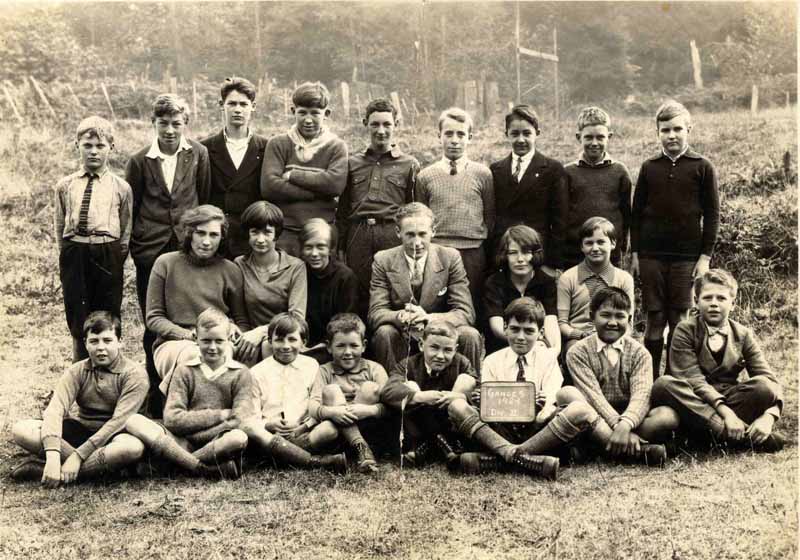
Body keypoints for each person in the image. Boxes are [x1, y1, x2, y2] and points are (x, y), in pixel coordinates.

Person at [449, 298, 598, 479]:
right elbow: (491, 410)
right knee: (456, 406)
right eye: (515, 329)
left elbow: (550, 402)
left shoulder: (548, 359)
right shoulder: (492, 361)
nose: (521, 337)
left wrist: (539, 411)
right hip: (500, 429)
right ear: (505, 328)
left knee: (579, 409)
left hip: (538, 430)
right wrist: (484, 404)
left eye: (529, 331)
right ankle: (523, 457)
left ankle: (503, 457)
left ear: (540, 332)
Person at [126, 94, 211, 409]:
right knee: (154, 318)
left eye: (176, 123)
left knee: (186, 313)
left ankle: (192, 390)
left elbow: (204, 198)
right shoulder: (139, 160)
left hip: (186, 247)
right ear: (153, 123)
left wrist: (197, 238)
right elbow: (132, 207)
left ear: (185, 123)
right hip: (150, 248)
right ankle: (154, 391)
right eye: (163, 123)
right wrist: (137, 246)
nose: (170, 130)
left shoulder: (198, 154)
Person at [630, 100, 720, 376]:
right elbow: (636, 214)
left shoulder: (702, 167)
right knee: (654, 316)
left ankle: (673, 380)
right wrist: (635, 254)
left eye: (677, 129)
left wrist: (704, 258)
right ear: (657, 132)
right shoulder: (649, 167)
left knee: (679, 318)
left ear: (689, 129)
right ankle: (649, 379)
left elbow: (712, 215)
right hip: (651, 257)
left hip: (686, 257)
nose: (671, 135)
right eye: (665, 130)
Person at [651, 269, 784, 452]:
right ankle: (739, 437)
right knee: (664, 385)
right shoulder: (685, 329)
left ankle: (703, 437)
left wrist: (769, 417)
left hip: (728, 400)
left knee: (764, 386)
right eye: (707, 298)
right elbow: (693, 380)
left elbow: (770, 380)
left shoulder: (743, 334)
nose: (714, 303)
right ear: (696, 301)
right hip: (694, 399)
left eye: (721, 298)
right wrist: (727, 414)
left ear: (733, 304)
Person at [10, 312, 148, 485]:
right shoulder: (77, 370)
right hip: (82, 432)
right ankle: (94, 470)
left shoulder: (134, 374)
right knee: (22, 429)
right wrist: (52, 455)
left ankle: (45, 470)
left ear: (120, 342)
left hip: (115, 436)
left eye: (107, 340)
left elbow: (118, 422)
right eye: (94, 341)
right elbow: (55, 409)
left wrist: (77, 456)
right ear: (85, 343)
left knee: (133, 448)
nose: (101, 348)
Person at [126, 308, 252, 479]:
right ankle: (201, 468)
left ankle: (175, 464)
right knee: (134, 421)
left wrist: (198, 431)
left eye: (219, 341)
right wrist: (220, 415)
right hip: (181, 440)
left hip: (216, 441)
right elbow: (172, 419)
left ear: (229, 340)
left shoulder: (240, 373)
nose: (212, 347)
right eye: (206, 341)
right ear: (196, 339)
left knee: (238, 437)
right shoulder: (184, 371)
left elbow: (240, 420)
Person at [146, 205, 249, 411]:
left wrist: (234, 330)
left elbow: (242, 320)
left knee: (219, 356)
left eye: (214, 235)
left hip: (218, 339)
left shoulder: (231, 270)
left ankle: (216, 416)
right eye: (200, 233)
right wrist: (187, 335)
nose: (206, 241)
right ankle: (178, 413)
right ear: (189, 233)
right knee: (194, 357)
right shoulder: (165, 263)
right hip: (174, 343)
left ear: (222, 238)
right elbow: (154, 317)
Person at [562, 288, 679, 465]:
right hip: (595, 418)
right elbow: (593, 396)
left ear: (629, 319)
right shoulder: (578, 352)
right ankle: (636, 451)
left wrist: (626, 424)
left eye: (620, 316)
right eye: (605, 315)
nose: (612, 322)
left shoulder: (640, 353)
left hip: (631, 417)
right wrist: (617, 426)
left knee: (667, 416)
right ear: (592, 316)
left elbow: (642, 395)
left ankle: (600, 447)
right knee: (567, 394)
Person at [368, 202, 482, 374]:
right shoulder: (383, 260)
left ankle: (468, 385)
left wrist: (428, 318)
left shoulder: (450, 257)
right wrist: (401, 316)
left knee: (469, 335)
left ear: (433, 231)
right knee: (384, 333)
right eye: (410, 235)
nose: (417, 242)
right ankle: (393, 387)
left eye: (422, 234)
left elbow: (465, 312)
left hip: (441, 333)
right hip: (404, 334)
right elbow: (376, 313)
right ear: (398, 232)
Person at [54, 116, 131, 361]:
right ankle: (80, 369)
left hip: (107, 253)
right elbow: (60, 225)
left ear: (111, 147)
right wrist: (68, 255)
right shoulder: (65, 185)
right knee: (77, 313)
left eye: (100, 146)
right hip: (75, 252)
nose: (94, 151)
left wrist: (114, 258)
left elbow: (125, 230)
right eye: (87, 145)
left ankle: (109, 370)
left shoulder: (121, 187)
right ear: (77, 145)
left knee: (107, 313)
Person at [336, 98, 419, 316]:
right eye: (375, 124)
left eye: (387, 124)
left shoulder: (409, 164)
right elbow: (343, 210)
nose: (381, 131)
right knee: (357, 288)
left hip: (392, 233)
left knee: (394, 289)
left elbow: (413, 209)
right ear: (365, 123)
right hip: (359, 234)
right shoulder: (352, 163)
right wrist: (341, 246)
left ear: (396, 124)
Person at [248, 314, 347, 472]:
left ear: (303, 342)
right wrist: (268, 425)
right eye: (279, 340)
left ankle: (280, 456)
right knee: (253, 431)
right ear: (270, 342)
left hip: (303, 431)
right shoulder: (256, 372)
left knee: (329, 430)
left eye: (292, 339)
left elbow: (317, 404)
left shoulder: (311, 366)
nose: (286, 346)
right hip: (270, 435)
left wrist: (303, 426)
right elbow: (252, 415)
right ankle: (312, 461)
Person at [417, 107, 494, 306]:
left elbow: (490, 217)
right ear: (439, 136)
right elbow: (421, 219)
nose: (454, 140)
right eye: (448, 134)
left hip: (472, 252)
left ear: (470, 137)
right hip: (437, 251)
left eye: (461, 134)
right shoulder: (425, 176)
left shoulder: (483, 174)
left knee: (471, 303)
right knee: (436, 304)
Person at [260, 81, 348, 256]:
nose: (308, 120)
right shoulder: (278, 144)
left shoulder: (336, 146)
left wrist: (292, 175)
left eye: (315, 113)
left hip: (322, 233)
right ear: (293, 111)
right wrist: (316, 192)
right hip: (285, 232)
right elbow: (269, 187)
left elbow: (334, 185)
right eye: (302, 113)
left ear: (326, 114)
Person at [380, 320, 477, 467]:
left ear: (455, 349)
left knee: (467, 380)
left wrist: (459, 396)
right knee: (410, 386)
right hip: (419, 424)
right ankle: (430, 444)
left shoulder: (462, 363)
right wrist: (419, 396)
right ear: (421, 345)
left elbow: (480, 391)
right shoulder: (408, 364)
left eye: (447, 350)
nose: (440, 356)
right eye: (434, 348)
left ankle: (443, 443)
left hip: (448, 422)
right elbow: (388, 390)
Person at [308, 313, 393, 473]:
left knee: (370, 388)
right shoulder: (325, 370)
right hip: (336, 431)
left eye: (354, 345)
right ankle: (359, 446)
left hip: (368, 428)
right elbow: (312, 406)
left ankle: (361, 446)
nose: (347, 352)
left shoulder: (375, 369)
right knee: (331, 391)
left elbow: (391, 406)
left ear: (364, 345)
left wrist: (369, 410)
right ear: (329, 347)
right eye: (340, 346)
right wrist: (334, 412)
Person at [490, 104, 566, 269]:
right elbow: (492, 218)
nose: (521, 140)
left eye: (527, 133)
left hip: (537, 253)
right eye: (515, 134)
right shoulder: (496, 170)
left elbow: (559, 222)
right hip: (507, 253)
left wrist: (554, 264)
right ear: (506, 134)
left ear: (537, 133)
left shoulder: (552, 169)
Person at [201, 77, 269, 258]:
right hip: (217, 237)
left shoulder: (266, 148)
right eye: (232, 104)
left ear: (253, 106)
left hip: (252, 237)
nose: (238, 110)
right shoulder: (204, 148)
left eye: (243, 104)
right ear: (221, 105)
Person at [234, 201, 307, 363]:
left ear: (276, 234)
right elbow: (240, 315)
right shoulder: (239, 264)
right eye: (255, 232)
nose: (261, 239)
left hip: (285, 338)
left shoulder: (295, 267)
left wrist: (261, 332)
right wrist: (246, 336)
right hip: (250, 338)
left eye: (267, 232)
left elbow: (296, 318)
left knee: (269, 346)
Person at [562, 106, 632, 269]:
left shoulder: (620, 172)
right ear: (579, 137)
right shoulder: (567, 173)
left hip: (610, 256)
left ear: (609, 137)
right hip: (574, 256)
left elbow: (626, 214)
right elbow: (561, 215)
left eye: (600, 137)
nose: (594, 143)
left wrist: (623, 246)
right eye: (588, 137)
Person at [558, 217, 635, 363]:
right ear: (581, 247)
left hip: (614, 336)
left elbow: (628, 324)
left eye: (601, 242)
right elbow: (562, 323)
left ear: (613, 244)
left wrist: (613, 340)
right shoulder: (568, 278)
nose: (595, 248)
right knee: (577, 351)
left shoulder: (624, 279)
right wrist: (580, 335)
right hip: (579, 340)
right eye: (589, 243)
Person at [483, 225, 559, 354]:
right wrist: (526, 342)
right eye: (513, 253)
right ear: (505, 255)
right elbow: (497, 327)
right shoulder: (494, 283)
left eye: (526, 252)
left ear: (535, 254)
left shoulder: (546, 282)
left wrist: (554, 351)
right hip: (502, 348)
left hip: (537, 347)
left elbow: (551, 321)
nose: (520, 259)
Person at [300, 219, 358, 363]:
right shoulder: (298, 273)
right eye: (308, 247)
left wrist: (324, 344)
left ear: (330, 248)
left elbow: (347, 321)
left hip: (333, 345)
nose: (314, 253)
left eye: (321, 247)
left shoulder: (345, 277)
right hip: (301, 344)